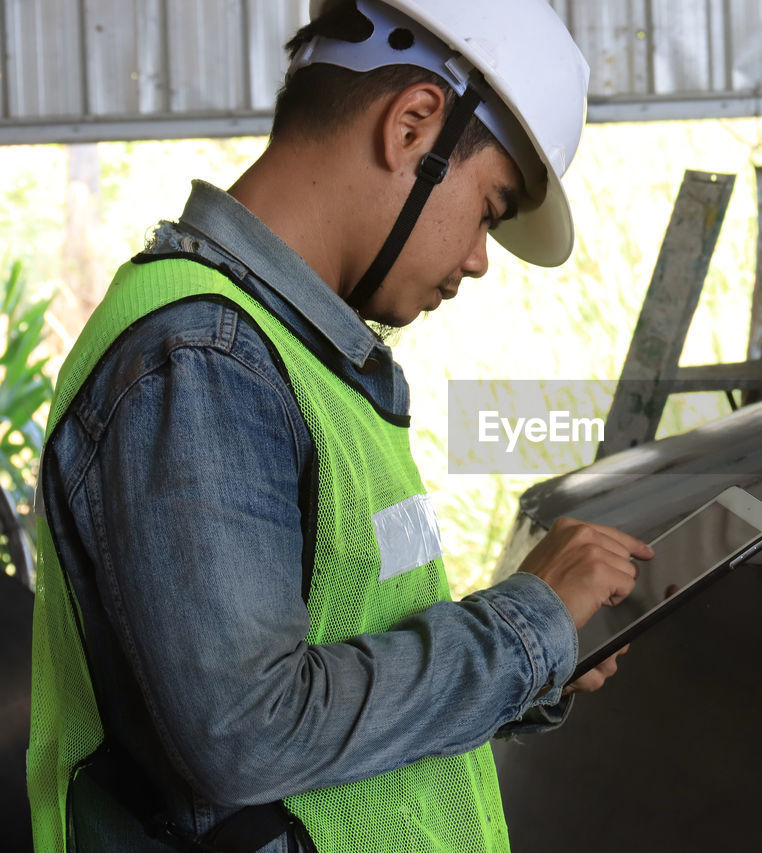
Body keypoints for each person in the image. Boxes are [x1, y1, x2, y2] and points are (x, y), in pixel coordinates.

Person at [27, 1, 652, 851]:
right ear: (413, 127)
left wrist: (531, 663)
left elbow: (340, 646)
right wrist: (520, 628)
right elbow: (248, 731)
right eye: (489, 210)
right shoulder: (203, 358)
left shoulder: (295, 358)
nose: (476, 258)